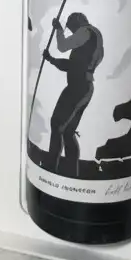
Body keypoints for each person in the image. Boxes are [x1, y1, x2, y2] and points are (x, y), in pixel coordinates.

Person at [42, 12, 104, 175]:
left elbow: (63, 47)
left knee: (57, 125)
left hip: (77, 88)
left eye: (71, 27)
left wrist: (59, 30)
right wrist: (51, 60)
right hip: (85, 88)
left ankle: (50, 169)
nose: (72, 31)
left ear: (78, 22)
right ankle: (71, 173)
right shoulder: (96, 38)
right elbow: (73, 65)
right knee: (68, 132)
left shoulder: (85, 31)